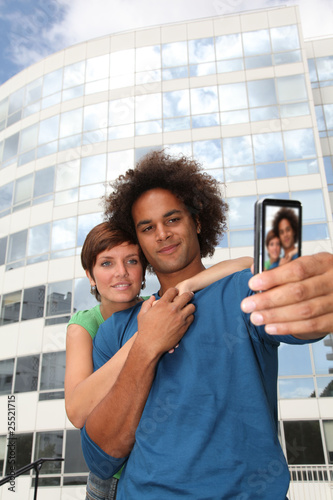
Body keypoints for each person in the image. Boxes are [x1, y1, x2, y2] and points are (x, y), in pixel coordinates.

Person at [80, 151, 333, 499]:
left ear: (197, 222)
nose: (162, 235)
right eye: (147, 227)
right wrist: (146, 346)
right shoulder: (115, 329)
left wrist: (315, 300)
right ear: (138, 239)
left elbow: (298, 317)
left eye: (172, 219)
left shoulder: (245, 289)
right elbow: (101, 458)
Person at [65, 221, 252, 499]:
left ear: (144, 270)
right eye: (106, 264)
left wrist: (188, 284)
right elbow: (77, 410)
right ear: (90, 276)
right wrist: (145, 337)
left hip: (151, 469)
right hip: (109, 478)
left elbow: (248, 262)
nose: (121, 272)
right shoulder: (85, 325)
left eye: (132, 260)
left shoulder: (155, 306)